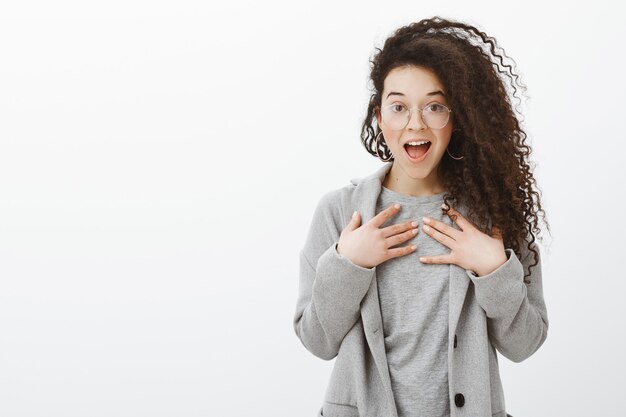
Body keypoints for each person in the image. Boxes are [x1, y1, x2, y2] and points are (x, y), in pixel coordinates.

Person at [293, 16, 550, 417]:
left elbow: (525, 344)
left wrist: (494, 270)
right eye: (398, 107)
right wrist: (348, 263)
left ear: (457, 118)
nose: (415, 123)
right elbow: (317, 341)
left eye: (435, 106)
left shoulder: (493, 213)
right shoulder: (340, 212)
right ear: (379, 117)